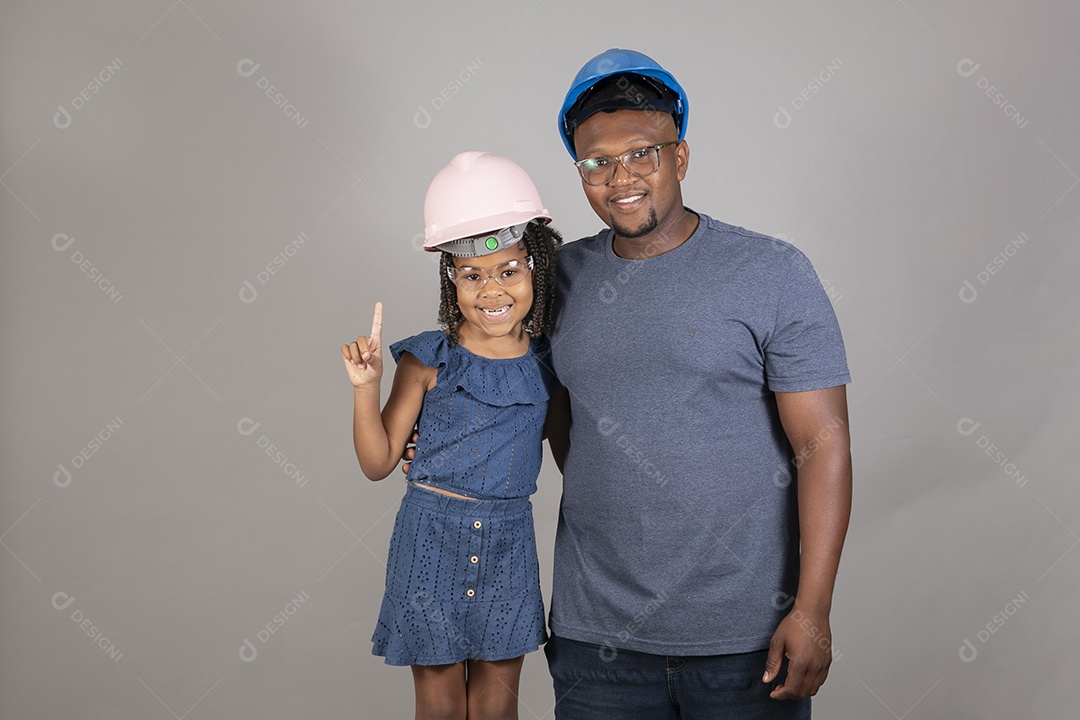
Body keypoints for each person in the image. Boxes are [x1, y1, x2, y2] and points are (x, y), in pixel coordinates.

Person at [543, 49, 853, 719]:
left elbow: (823, 447)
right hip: (598, 642)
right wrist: (430, 440)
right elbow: (535, 414)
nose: (620, 177)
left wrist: (814, 610)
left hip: (748, 640)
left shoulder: (771, 272)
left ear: (679, 158)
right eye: (597, 163)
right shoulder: (554, 281)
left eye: (642, 154)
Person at [341, 151, 562, 720]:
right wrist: (367, 388)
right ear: (451, 279)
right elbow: (377, 461)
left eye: (509, 270)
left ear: (536, 266)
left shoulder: (547, 364)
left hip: (510, 546)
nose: (492, 289)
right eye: (471, 275)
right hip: (429, 540)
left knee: (496, 710)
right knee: (438, 708)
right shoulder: (428, 359)